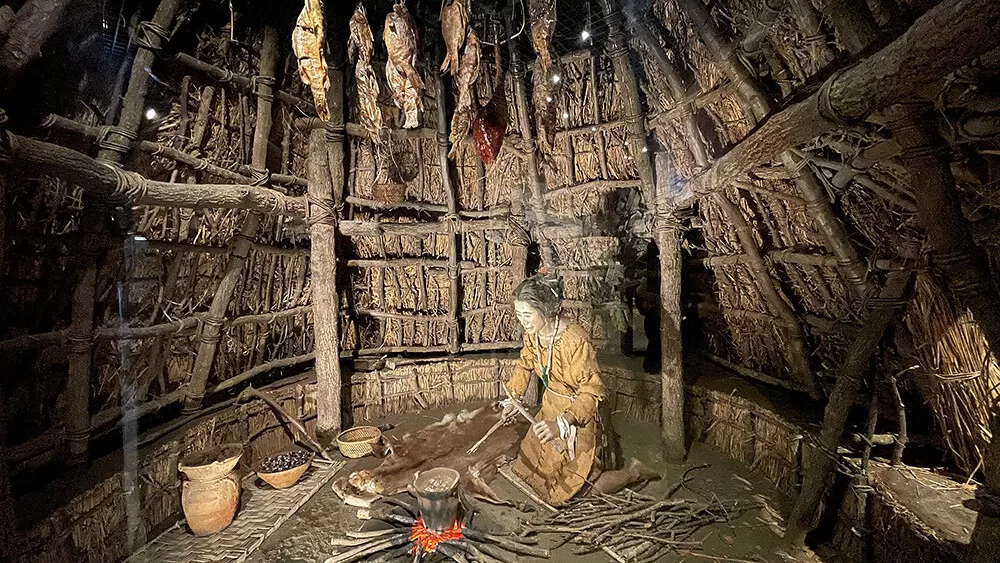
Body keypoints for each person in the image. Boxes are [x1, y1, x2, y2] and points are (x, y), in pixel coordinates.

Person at [504, 274, 659, 506]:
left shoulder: (575, 340)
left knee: (573, 493)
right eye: (519, 315)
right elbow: (526, 362)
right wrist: (513, 399)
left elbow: (591, 391)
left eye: (527, 315)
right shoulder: (533, 335)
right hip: (550, 409)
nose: (523, 322)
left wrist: (562, 424)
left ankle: (634, 472)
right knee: (526, 472)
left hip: (578, 416)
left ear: (545, 310)